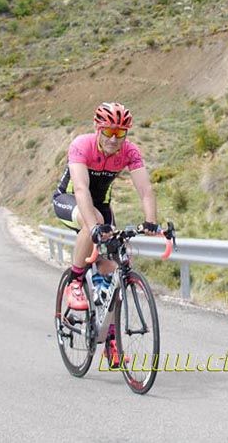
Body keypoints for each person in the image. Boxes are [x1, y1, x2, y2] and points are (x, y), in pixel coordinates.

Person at [52, 102, 160, 367]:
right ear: (97, 128)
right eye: (109, 132)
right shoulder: (82, 145)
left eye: (120, 134)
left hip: (101, 205)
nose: (114, 139)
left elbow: (145, 190)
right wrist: (94, 226)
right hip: (70, 199)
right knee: (96, 222)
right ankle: (76, 282)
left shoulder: (130, 152)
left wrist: (151, 222)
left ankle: (111, 340)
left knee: (117, 266)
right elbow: (80, 188)